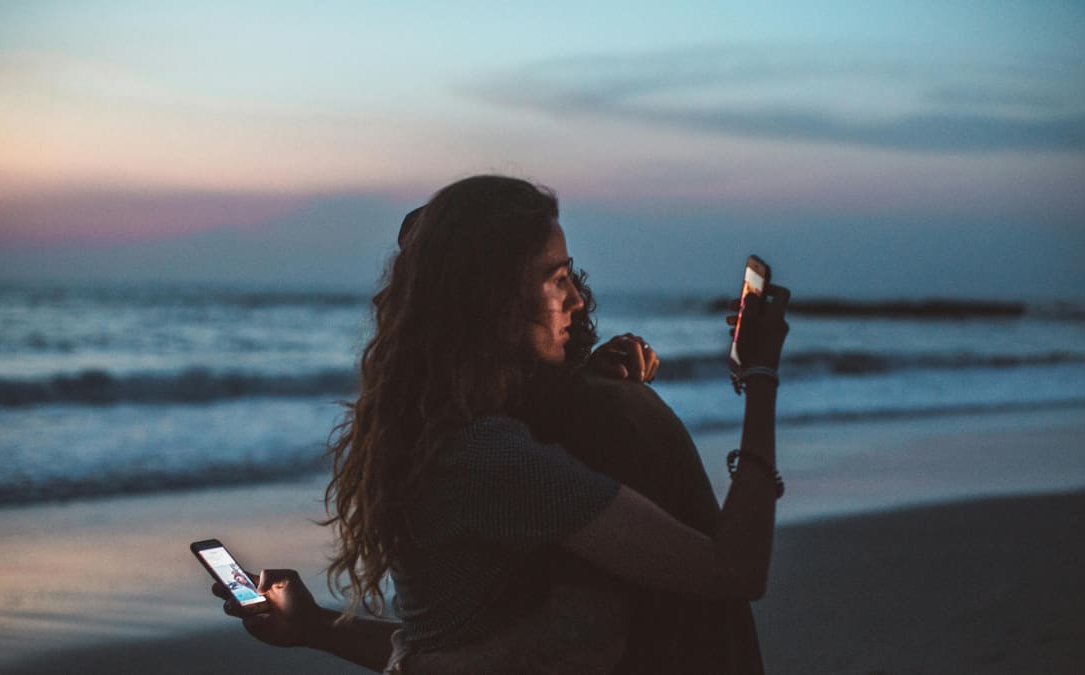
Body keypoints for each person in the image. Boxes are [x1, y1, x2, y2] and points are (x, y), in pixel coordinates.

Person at [211, 175, 789, 673]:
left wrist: (312, 625)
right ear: (492, 298)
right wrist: (760, 379)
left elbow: (429, 651)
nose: (578, 300)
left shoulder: (433, 431)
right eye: (555, 277)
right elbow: (735, 570)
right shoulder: (493, 459)